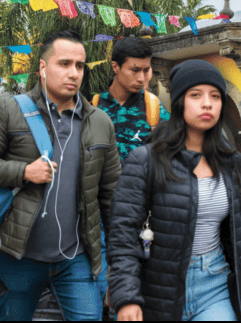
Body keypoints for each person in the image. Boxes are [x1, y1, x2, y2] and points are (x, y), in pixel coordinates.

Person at [0, 30, 121, 321]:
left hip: (77, 257)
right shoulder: (9, 108)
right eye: (64, 63)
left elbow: (112, 195)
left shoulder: (100, 122)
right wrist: (24, 172)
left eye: (79, 65)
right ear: (42, 68)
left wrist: (119, 262)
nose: (73, 73)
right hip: (18, 256)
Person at [107, 59, 241, 321]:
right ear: (179, 103)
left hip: (214, 284)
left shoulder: (232, 164)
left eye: (215, 96)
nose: (207, 103)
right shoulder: (145, 160)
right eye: (195, 95)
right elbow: (123, 234)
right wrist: (126, 296)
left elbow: (233, 238)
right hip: (158, 288)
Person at [91, 36, 170, 311]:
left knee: (131, 293)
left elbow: (172, 156)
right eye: (134, 70)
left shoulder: (154, 109)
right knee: (98, 294)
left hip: (139, 217)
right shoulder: (93, 107)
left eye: (146, 70)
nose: (142, 77)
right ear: (115, 67)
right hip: (97, 217)